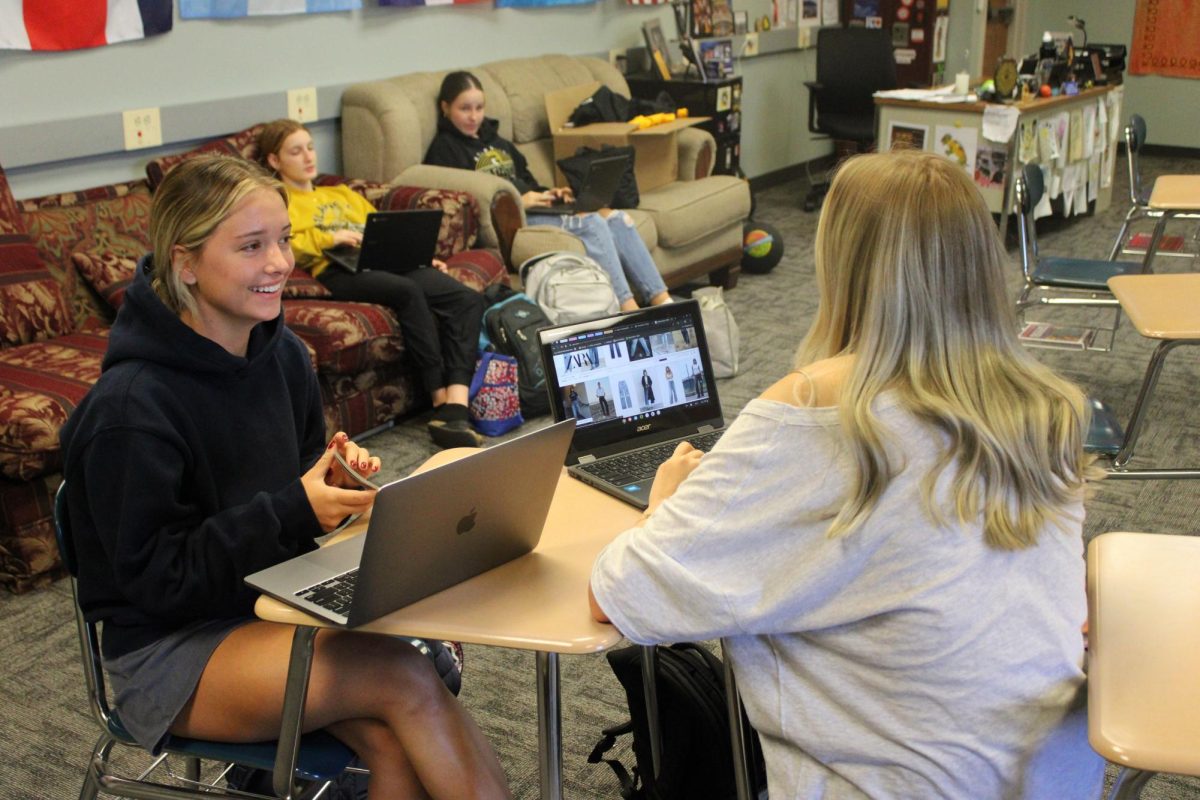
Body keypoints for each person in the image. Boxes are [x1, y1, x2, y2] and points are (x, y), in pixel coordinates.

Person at [589, 150, 1105, 798]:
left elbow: (620, 595)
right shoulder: (1042, 411)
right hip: (1050, 780)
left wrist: (663, 504)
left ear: (842, 265)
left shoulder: (814, 417)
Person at [59, 155, 512, 799]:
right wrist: (296, 508)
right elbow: (157, 583)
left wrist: (337, 489)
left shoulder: (284, 359)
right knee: (405, 677)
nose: (279, 263)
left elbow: (292, 496)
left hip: (271, 605)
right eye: (251, 246)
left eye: (283, 240)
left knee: (394, 735)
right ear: (185, 263)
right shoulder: (131, 410)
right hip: (169, 649)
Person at [256, 119, 486, 449]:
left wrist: (417, 257)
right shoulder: (281, 201)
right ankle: (438, 398)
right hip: (339, 269)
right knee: (407, 292)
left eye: (310, 147)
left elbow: (382, 229)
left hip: (382, 259)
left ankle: (457, 405)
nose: (308, 156)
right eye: (296, 151)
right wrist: (328, 237)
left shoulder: (340, 193)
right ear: (275, 161)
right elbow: (286, 242)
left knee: (464, 297)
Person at [424, 71, 672, 312]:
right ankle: (628, 310)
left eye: (479, 108)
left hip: (538, 207)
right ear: (445, 108)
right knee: (593, 223)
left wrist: (551, 193)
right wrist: (522, 201)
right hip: (514, 222)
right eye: (464, 109)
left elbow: (526, 178)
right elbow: (471, 199)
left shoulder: (497, 141)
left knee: (618, 219)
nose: (474, 117)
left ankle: (664, 303)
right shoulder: (445, 149)